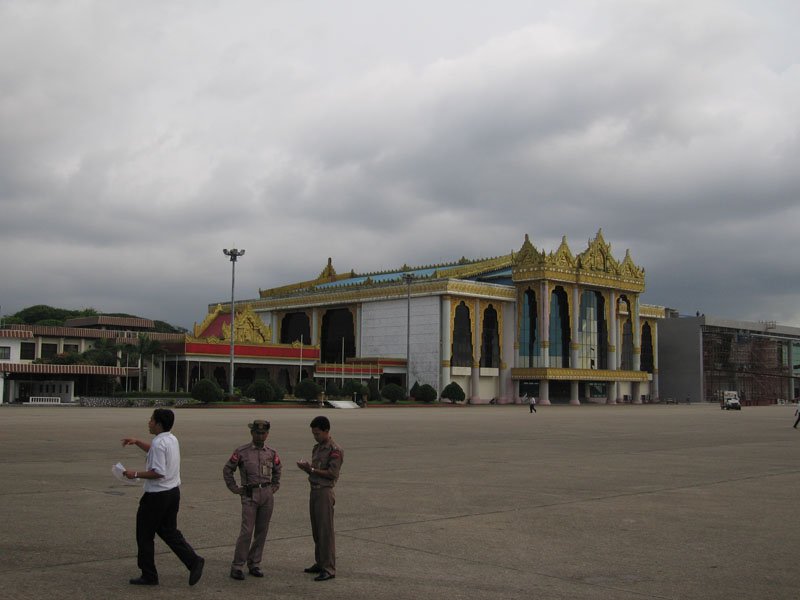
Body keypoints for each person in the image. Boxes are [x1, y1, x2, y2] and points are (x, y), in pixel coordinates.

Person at [121, 408, 205, 586]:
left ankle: (149, 574)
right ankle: (193, 560)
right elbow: (154, 450)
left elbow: (158, 472)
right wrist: (137, 442)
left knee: (144, 535)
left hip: (156, 497)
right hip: (172, 493)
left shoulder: (160, 443)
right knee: (169, 531)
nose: (149, 422)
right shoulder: (171, 439)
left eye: (151, 420)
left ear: (158, 424)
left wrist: (133, 474)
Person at [223, 419, 282, 580]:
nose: (260, 436)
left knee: (262, 531)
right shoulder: (242, 452)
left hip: (266, 494)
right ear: (252, 433)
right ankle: (237, 565)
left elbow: (277, 470)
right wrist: (235, 488)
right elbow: (228, 470)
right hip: (249, 494)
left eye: (263, 433)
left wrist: (274, 487)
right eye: (257, 432)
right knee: (247, 531)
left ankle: (254, 563)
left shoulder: (271, 452)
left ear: (267, 434)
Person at [296, 415, 343, 581]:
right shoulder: (317, 448)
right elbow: (315, 469)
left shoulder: (335, 450)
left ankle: (329, 568)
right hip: (314, 491)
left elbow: (332, 473)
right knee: (316, 530)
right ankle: (320, 562)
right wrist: (308, 469)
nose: (315, 436)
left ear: (326, 431)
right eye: (313, 433)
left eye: (317, 433)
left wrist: (312, 470)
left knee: (326, 532)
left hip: (324, 492)